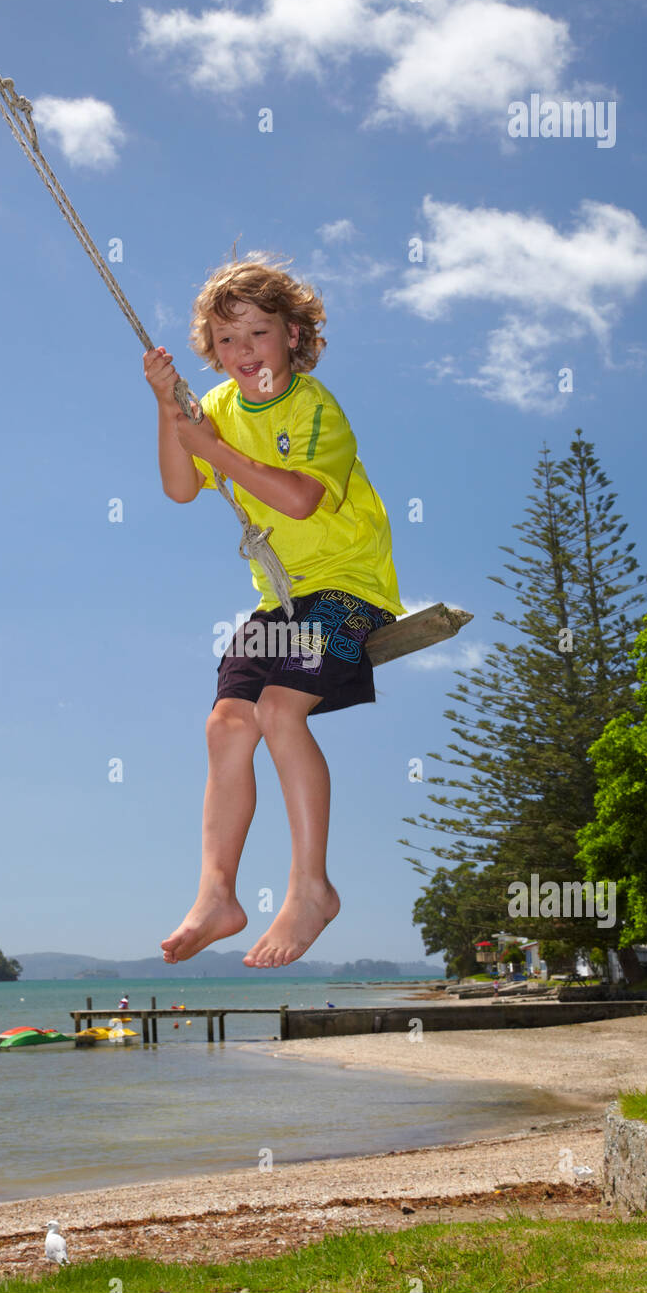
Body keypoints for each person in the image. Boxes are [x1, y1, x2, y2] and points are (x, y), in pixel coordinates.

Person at [143, 253, 405, 969]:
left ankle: (310, 888)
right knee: (227, 722)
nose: (242, 352)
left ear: (294, 335)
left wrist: (212, 450)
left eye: (257, 333)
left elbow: (299, 499)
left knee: (279, 712)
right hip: (282, 597)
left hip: (349, 588)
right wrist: (172, 412)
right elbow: (178, 487)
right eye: (226, 341)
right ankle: (217, 893)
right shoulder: (217, 410)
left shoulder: (314, 406)